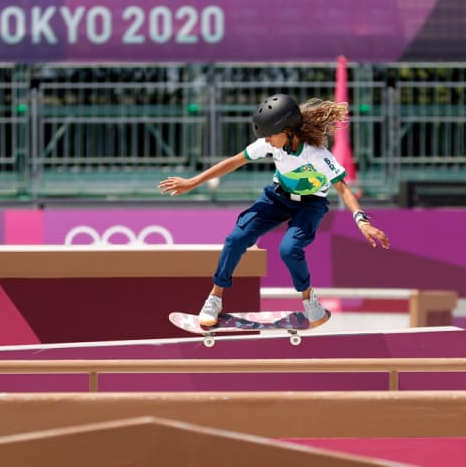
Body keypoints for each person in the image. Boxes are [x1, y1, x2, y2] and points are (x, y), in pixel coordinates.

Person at [158, 93, 390, 328]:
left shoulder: (317, 154)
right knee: (236, 239)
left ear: (287, 131)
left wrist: (362, 221)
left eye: (270, 136)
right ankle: (215, 297)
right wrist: (192, 182)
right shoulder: (269, 143)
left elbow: (342, 187)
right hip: (277, 197)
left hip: (310, 205)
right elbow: (235, 161)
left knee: (289, 250)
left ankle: (310, 300)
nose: (267, 141)